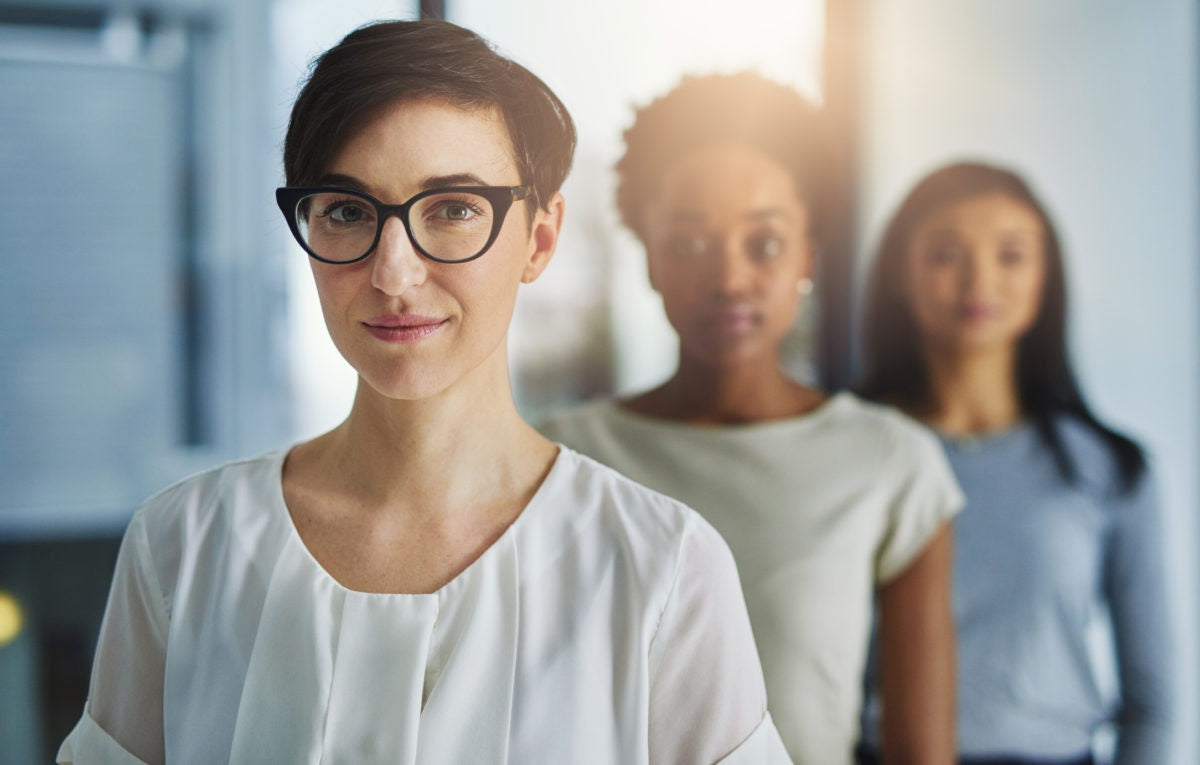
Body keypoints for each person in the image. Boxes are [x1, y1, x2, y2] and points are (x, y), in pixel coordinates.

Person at [57, 21, 790, 764]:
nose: (394, 274)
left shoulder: (660, 567)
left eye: (453, 210)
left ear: (539, 238)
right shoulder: (183, 546)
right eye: (347, 212)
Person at [538, 73, 961, 765]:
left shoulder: (890, 462)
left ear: (807, 256)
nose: (728, 277)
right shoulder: (558, 457)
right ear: (648, 257)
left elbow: (922, 752)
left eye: (762, 244)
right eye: (689, 243)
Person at [856, 161, 1177, 764]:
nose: (981, 281)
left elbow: (1153, 702)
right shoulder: (847, 451)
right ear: (901, 272)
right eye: (947, 254)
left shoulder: (1109, 469)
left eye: (1011, 255)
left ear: (1045, 276)